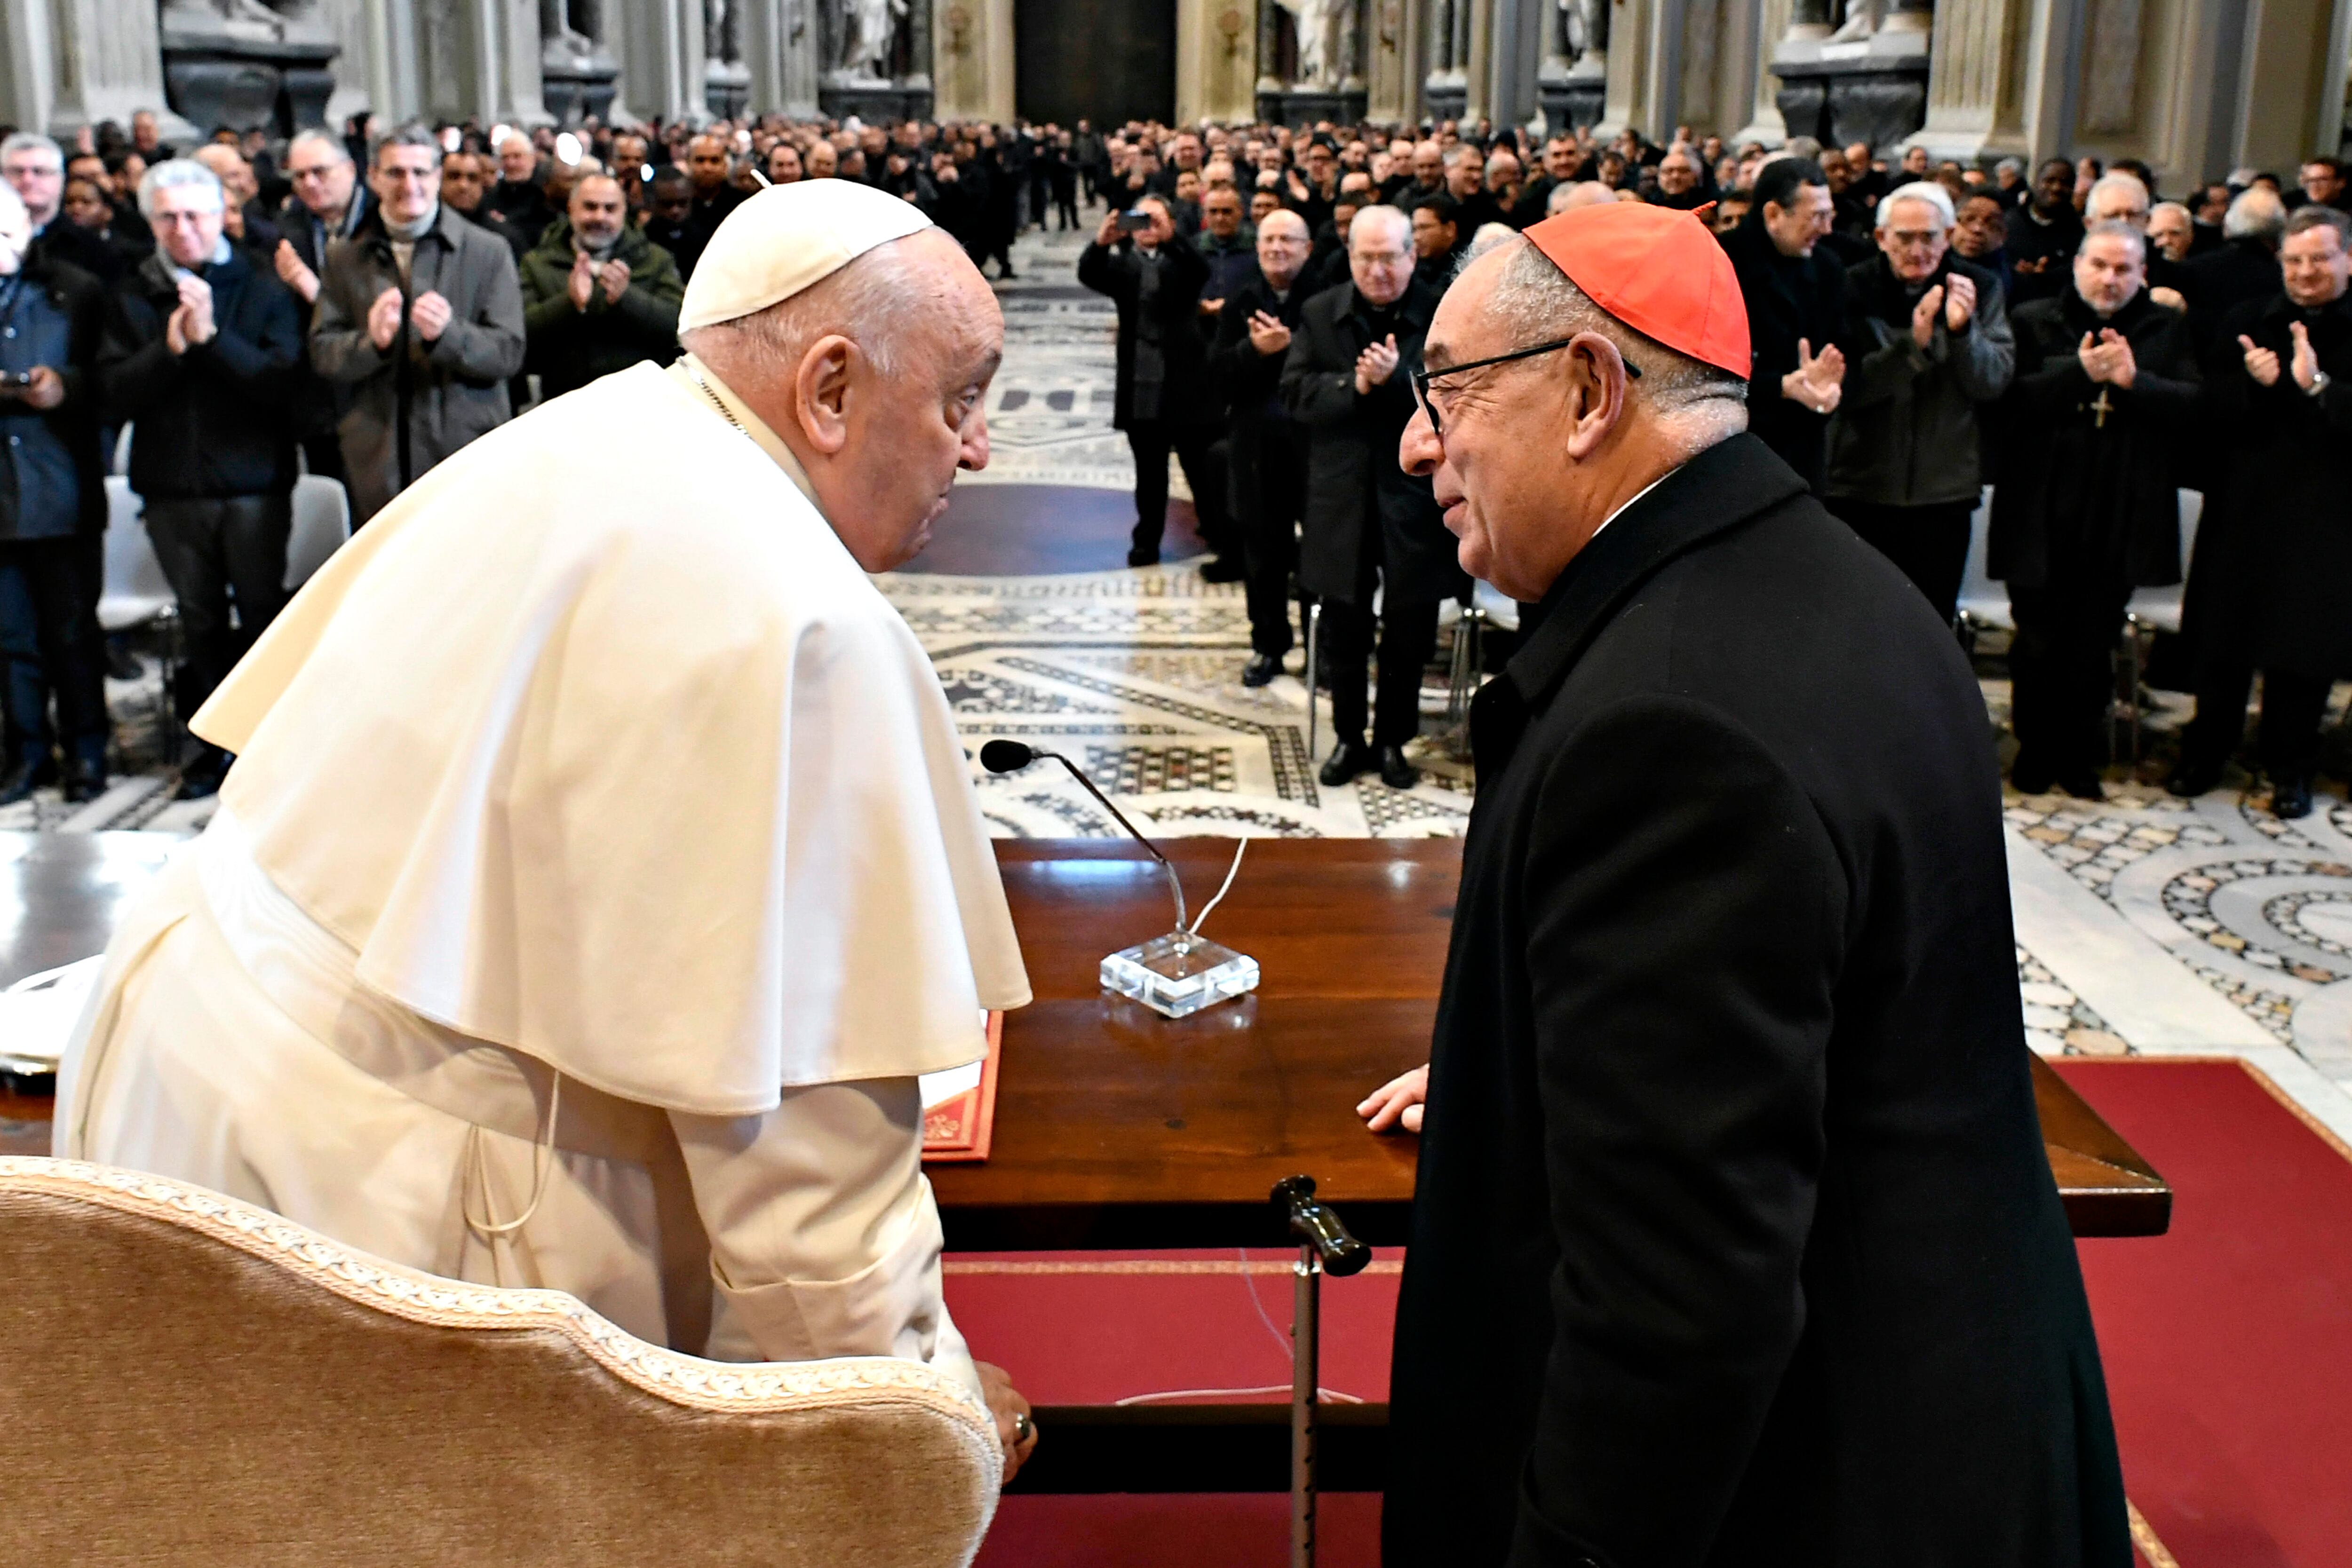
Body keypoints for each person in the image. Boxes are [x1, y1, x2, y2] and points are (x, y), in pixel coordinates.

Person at [55, 178, 1039, 1483]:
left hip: (185, 1077)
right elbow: (808, 1196)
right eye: (962, 397)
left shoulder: (601, 426)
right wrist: (925, 1423)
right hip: (375, 1210)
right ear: (831, 388)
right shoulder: (802, 623)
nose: (978, 449)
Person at [1361, 198, 2130, 1568]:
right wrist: (1545, 1068)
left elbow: (1674, 1313)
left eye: (1449, 394)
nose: (1419, 442)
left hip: (1822, 1485)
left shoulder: (1669, 731)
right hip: (1949, 1399)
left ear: (1589, 389)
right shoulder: (1834, 587)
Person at [97, 158, 303, 800]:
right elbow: (109, 392)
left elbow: (282, 386)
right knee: (201, 621)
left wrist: (213, 339)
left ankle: (272, 744)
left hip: (252, 487)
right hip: (171, 490)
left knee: (264, 615)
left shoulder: (263, 285)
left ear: (221, 215)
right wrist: (172, 350)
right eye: (168, 217)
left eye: (195, 215)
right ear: (151, 222)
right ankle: (213, 746)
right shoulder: (130, 293)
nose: (183, 229)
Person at [1992, 222, 2199, 799]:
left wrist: (2135, 382)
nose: (2110, 279)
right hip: (2040, 509)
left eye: (2123, 269)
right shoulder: (2034, 318)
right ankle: (2034, 750)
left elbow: (2192, 405)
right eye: (2099, 266)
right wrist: (2079, 375)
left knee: (2092, 645)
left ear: (2142, 275)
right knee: (2036, 643)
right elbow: (2009, 402)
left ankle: (2077, 756)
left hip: (2120, 512)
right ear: (2078, 265)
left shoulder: (2165, 326)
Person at [2169, 206, 2352, 819]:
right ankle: (2206, 754)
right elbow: (2208, 419)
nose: (2305, 272)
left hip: (2327, 519)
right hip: (2244, 511)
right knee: (2226, 642)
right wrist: (2254, 385)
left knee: (2304, 654)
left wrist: (2316, 385)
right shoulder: (2248, 322)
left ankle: (2291, 769)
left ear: (2348, 259)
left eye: (2320, 259)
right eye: (2295, 260)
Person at [1281, 206, 1459, 790]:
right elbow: (1297, 396)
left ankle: (1392, 741)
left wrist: (1396, 379)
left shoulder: (1441, 312)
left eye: (1390, 257)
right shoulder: (1319, 312)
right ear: (1349, 256)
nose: (1378, 270)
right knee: (1344, 627)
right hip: (1342, 499)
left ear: (1412, 254)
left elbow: (1459, 395)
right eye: (1366, 257)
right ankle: (1348, 737)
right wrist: (1354, 386)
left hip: (1414, 498)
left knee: (1409, 627)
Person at [310, 124, 525, 524]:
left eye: (421, 172)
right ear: (373, 177)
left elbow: (509, 353)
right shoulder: (344, 258)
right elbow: (324, 354)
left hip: (464, 456)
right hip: (378, 459)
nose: (409, 185)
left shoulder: (488, 251)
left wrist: (449, 335)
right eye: (395, 173)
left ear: (437, 177)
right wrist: (372, 343)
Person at [1824, 181, 2014, 623]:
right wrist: (1914, 347)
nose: (1917, 249)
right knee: (1854, 622)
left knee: (1928, 626)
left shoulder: (1980, 287)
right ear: (1880, 238)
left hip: (1942, 491)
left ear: (1948, 236)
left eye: (1929, 237)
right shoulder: (1851, 286)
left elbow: (1992, 382)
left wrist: (1963, 334)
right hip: (1860, 486)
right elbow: (1846, 389)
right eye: (1904, 238)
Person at [0, 182, 109, 806]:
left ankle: (87, 750)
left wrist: (63, 385)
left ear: (28, 227)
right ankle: (26, 752)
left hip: (61, 485)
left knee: (71, 633)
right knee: (11, 638)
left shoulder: (73, 290)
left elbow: (111, 377)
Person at [1077, 194, 1238, 575]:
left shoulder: (1181, 260)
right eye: (1141, 221)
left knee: (1200, 469)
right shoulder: (1122, 266)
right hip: (1142, 384)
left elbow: (1199, 272)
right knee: (1150, 475)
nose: (1148, 228)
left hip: (1186, 382)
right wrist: (1101, 242)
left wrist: (1172, 240)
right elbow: (1089, 274)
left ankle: (1217, 535)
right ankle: (1146, 541)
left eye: (1156, 220)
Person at [1210, 207, 1315, 688]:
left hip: (1312, 448)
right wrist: (1255, 351)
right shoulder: (1241, 300)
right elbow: (1217, 376)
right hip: (1256, 450)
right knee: (1262, 557)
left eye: (1287, 240)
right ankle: (1267, 645)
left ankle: (1323, 652)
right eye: (1269, 240)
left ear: (1306, 248)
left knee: (1319, 556)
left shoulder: (1324, 297)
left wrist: (1290, 346)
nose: (1276, 248)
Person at [1720, 156, 1846, 491]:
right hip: (1733, 447)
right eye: (1817, 217)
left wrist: (1829, 387)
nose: (1827, 229)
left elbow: (1841, 348)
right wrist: (1778, 386)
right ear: (1774, 215)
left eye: (1829, 215)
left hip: (1802, 454)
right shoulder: (1721, 263)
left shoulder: (1828, 268)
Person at [518, 171, 683, 404]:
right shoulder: (537, 263)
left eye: (610, 209)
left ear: (624, 212)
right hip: (564, 405)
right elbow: (521, 334)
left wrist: (627, 299)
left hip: (641, 403)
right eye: (590, 207)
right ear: (571, 208)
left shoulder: (656, 260)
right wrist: (569, 304)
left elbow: (678, 327)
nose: (600, 217)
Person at [2006, 158, 2083, 305]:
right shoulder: (2009, 223)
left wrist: (2047, 275)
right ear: (2035, 183)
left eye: (2065, 183)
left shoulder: (2079, 233)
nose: (2056, 188)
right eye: (2049, 180)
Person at [441, 149, 532, 264]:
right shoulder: (420, 233)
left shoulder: (506, 240)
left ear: (482, 185)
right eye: (454, 177)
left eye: (472, 178)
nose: (463, 186)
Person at [487, 132, 555, 240]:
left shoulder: (548, 194)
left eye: (517, 156)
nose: (511, 163)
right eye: (505, 157)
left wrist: (504, 224)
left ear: (532, 159)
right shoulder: (493, 193)